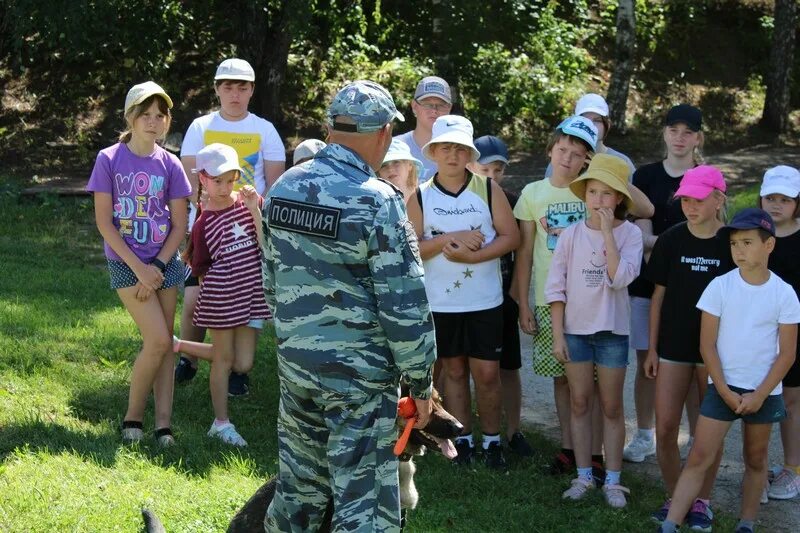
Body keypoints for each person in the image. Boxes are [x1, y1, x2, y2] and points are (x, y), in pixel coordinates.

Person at [262, 80, 436, 532]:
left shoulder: (282, 188)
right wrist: (419, 383)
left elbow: (271, 282)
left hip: (297, 369)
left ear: (331, 127)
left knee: (298, 493)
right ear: (383, 134)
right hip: (359, 383)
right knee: (364, 507)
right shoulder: (377, 200)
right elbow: (404, 307)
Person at [659, 208, 800, 533]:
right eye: (734, 243)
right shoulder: (719, 287)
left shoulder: (784, 293)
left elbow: (787, 354)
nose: (739, 250)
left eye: (747, 242)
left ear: (769, 246)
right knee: (698, 457)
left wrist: (759, 394)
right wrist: (722, 389)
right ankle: (670, 524)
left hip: (763, 395)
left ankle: (746, 524)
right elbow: (706, 346)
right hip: (722, 390)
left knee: (755, 460)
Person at [407, 118, 520, 470]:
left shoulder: (487, 189)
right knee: (453, 372)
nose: (452, 154)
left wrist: (473, 255)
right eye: (445, 148)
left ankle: (492, 441)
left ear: (469, 153)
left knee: (487, 374)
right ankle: (463, 441)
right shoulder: (422, 195)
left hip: (485, 301)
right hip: (441, 303)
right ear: (434, 152)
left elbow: (511, 237)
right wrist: (446, 240)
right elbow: (411, 247)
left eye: (460, 148)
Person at [86, 81, 191, 446]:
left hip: (165, 264)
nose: (152, 121)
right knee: (159, 339)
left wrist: (158, 267)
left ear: (166, 121)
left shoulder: (171, 164)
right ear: (130, 117)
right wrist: (140, 269)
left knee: (164, 348)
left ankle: (163, 426)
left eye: (159, 116)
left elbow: (179, 225)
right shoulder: (109, 159)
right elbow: (104, 223)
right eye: (145, 114)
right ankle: (133, 417)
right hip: (125, 263)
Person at [176, 58, 286, 394]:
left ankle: (235, 366)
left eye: (242, 87)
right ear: (217, 89)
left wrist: (248, 209)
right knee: (195, 298)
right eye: (228, 87)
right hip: (207, 228)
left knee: (243, 306)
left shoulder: (265, 129)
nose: (234, 94)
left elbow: (277, 184)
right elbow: (189, 181)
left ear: (252, 90)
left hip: (248, 233)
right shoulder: (200, 127)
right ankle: (187, 358)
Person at [546, 154, 643, 508]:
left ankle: (613, 481)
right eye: (593, 192)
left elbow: (619, 278)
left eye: (607, 194)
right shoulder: (570, 235)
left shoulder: (630, 234)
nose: (598, 200)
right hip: (575, 332)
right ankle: (583, 475)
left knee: (612, 406)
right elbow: (556, 288)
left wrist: (606, 232)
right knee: (580, 401)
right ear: (584, 195)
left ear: (619, 199)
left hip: (613, 333)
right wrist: (558, 335)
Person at [644, 165, 733, 530]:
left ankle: (701, 503)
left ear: (718, 199)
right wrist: (651, 349)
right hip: (672, 348)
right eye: (685, 200)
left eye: (699, 199)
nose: (690, 207)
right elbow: (657, 299)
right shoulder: (671, 239)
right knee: (665, 427)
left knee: (704, 435)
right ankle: (674, 496)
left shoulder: (733, 242)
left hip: (716, 352)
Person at [624, 103, 705, 464]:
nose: (680, 138)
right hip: (646, 287)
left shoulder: (708, 175)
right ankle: (644, 435)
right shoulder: (645, 177)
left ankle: (697, 440)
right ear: (664, 133)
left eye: (688, 131)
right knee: (648, 363)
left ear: (698, 138)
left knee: (692, 368)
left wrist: (663, 242)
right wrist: (682, 244)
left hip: (697, 293)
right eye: (674, 130)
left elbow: (711, 235)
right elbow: (641, 242)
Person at [174, 143, 269, 447]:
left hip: (250, 294)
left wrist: (255, 209)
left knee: (242, 363)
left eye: (231, 180)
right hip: (222, 296)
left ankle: (176, 346)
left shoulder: (247, 202)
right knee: (224, 360)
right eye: (218, 181)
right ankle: (221, 423)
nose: (226, 187)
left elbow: (267, 243)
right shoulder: (202, 223)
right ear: (202, 178)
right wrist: (212, 303)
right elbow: (200, 267)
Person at [467, 134, 534, 456]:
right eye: (485, 169)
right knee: (457, 366)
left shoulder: (511, 199)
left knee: (508, 367)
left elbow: (522, 251)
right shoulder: (457, 199)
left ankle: (513, 430)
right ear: (470, 165)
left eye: (498, 170)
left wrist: (517, 295)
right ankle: (458, 429)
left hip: (502, 296)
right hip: (464, 296)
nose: (492, 176)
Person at [759, 165, 800, 500]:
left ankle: (794, 468)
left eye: (784, 199)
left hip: (795, 333)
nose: (776, 205)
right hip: (758, 331)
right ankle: (756, 468)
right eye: (770, 197)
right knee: (758, 397)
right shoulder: (754, 235)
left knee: (790, 400)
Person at [544, 93, 635, 178]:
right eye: (584, 119)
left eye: (597, 120)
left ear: (607, 125)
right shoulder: (561, 161)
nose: (590, 125)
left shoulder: (621, 162)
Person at [394, 76, 453, 182]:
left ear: (449, 108)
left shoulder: (459, 151)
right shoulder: (396, 147)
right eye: (427, 104)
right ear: (414, 106)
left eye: (441, 105)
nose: (434, 110)